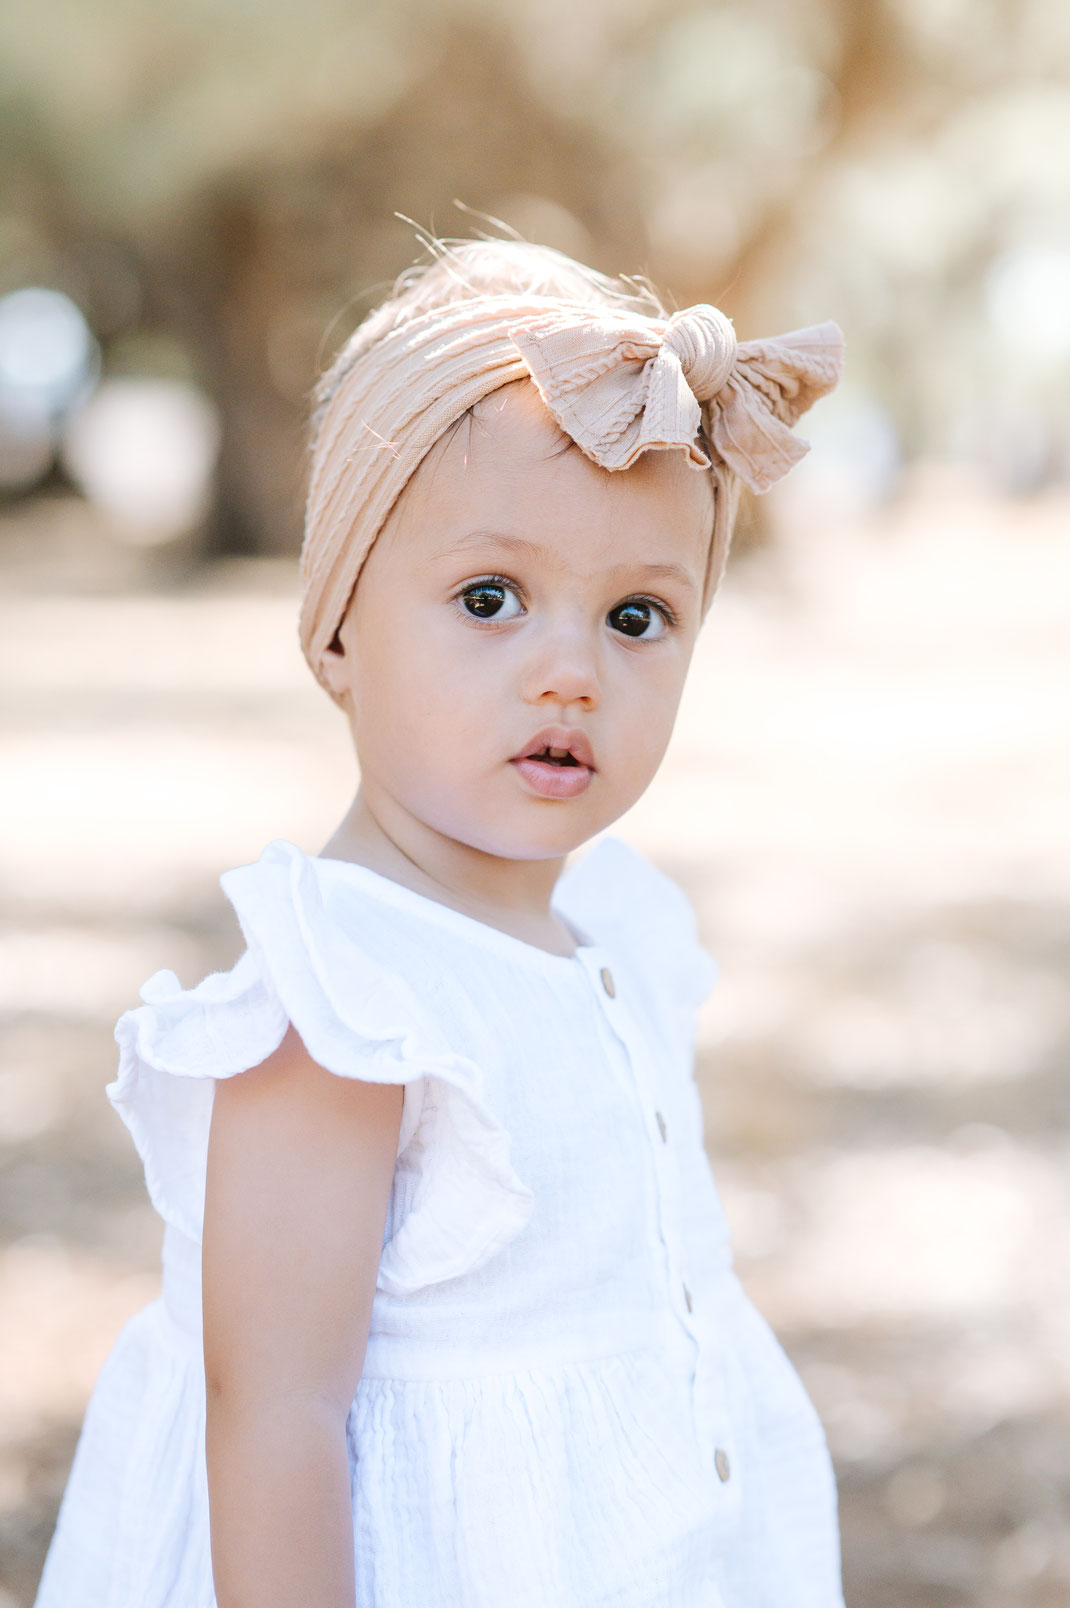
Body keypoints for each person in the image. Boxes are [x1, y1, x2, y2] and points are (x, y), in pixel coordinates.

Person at [33, 230, 847, 1608]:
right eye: (490, 599)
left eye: (639, 617)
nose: (569, 673)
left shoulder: (615, 928)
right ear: (340, 627)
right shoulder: (347, 993)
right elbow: (269, 1412)